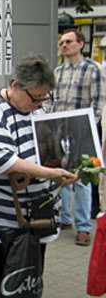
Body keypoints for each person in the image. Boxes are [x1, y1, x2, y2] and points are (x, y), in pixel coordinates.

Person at [0, 54, 77, 297]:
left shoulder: (36, 110)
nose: (39, 104)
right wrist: (51, 172)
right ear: (15, 85)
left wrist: (65, 168)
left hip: (33, 221)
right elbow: (4, 161)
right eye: (35, 98)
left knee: (25, 284)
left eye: (43, 98)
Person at [43, 29, 106, 245]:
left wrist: (89, 128)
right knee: (62, 173)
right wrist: (47, 122)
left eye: (68, 41)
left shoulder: (93, 70)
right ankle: (65, 219)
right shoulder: (58, 71)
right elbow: (49, 99)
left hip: (81, 131)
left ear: (81, 44)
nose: (64, 45)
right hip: (60, 130)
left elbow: (98, 103)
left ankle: (83, 227)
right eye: (62, 42)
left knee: (82, 178)